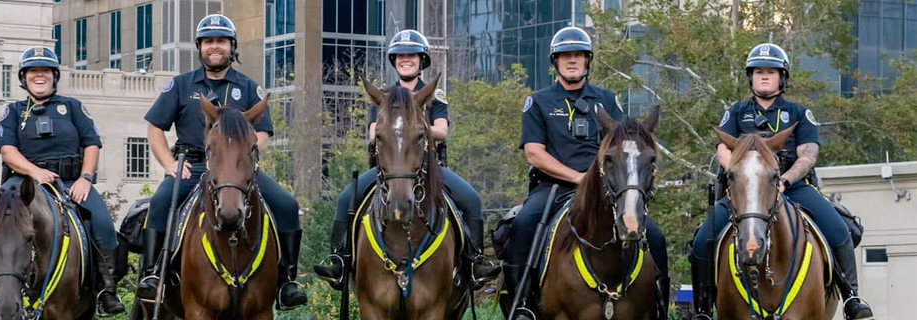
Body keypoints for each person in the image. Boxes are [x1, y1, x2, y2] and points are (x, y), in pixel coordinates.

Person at [135, 14, 308, 310]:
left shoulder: (249, 87)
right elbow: (155, 128)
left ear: (232, 47)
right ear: (200, 47)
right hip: (192, 166)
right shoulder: (180, 85)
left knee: (287, 205)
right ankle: (153, 276)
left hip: (239, 170)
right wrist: (168, 163)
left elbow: (262, 131)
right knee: (160, 203)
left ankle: (287, 281)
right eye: (209, 42)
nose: (215, 47)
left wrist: (246, 159)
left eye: (221, 41)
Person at [689, 43, 873, 320]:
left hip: (792, 187)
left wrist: (784, 179)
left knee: (838, 231)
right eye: (758, 71)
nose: (764, 76)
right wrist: (741, 175)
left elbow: (808, 153)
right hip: (744, 191)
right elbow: (723, 149)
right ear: (750, 76)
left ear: (782, 78)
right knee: (702, 241)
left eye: (771, 72)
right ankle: (702, 309)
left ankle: (852, 298)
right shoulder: (737, 112)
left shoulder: (798, 113)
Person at [313, 29, 500, 289]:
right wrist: (395, 128)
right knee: (347, 197)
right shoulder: (383, 95)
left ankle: (475, 263)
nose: (406, 59)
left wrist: (417, 126)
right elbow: (371, 133)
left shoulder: (433, 93)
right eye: (400, 56)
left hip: (428, 168)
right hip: (389, 168)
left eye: (411, 55)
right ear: (394, 61)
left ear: (422, 60)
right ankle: (340, 262)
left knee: (471, 199)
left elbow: (442, 130)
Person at [505, 26, 670, 319]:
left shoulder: (607, 99)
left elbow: (624, 144)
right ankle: (522, 304)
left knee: (654, 236)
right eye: (565, 56)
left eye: (579, 56)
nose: (572, 61)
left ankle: (659, 306)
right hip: (554, 188)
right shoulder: (539, 101)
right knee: (523, 225)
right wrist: (578, 177)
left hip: (606, 189)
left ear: (588, 61)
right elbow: (534, 153)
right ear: (555, 61)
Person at [0, 46, 126, 316]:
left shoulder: (73, 107)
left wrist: (86, 178)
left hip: (71, 181)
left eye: (45, 71)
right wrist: (35, 172)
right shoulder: (12, 111)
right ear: (24, 78)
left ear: (54, 76)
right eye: (33, 71)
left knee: (103, 223)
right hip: (21, 183)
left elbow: (92, 145)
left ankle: (105, 290)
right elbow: (8, 152)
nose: (39, 76)